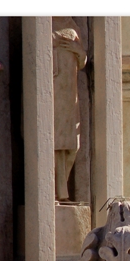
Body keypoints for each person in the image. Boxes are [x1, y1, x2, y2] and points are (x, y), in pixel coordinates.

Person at [52, 17, 87, 202]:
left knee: (73, 146)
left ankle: (61, 188)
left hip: (70, 94)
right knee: (56, 144)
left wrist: (78, 51)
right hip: (53, 92)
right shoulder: (45, 21)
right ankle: (57, 192)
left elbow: (82, 61)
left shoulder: (71, 24)